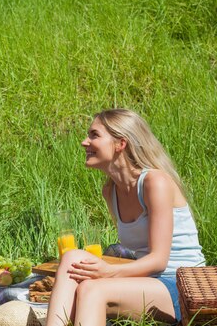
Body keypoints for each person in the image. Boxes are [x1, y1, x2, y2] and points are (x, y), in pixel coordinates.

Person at [45, 109, 205, 326]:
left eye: (94, 135)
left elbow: (159, 260)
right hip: (148, 282)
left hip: (182, 284)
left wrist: (109, 272)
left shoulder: (155, 182)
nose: (84, 142)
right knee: (72, 257)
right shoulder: (110, 191)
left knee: (92, 290)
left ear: (121, 143)